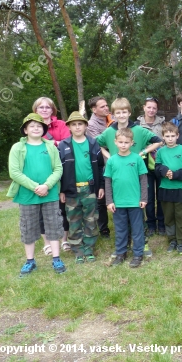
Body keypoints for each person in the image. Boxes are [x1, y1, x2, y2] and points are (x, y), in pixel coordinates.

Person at [97, 97, 162, 257]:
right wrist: (108, 155)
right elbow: (96, 144)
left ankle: (142, 244)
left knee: (139, 213)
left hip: (136, 176)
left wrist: (142, 153)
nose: (121, 115)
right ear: (113, 114)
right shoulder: (109, 131)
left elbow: (158, 141)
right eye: (118, 112)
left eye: (124, 112)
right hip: (118, 176)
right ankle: (123, 246)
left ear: (129, 112)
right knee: (121, 215)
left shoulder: (139, 130)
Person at [8, 113, 65, 276]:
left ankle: (56, 259)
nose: (35, 128)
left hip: (50, 193)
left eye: (39, 126)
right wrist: (35, 187)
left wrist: (47, 185)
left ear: (44, 129)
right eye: (31, 126)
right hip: (27, 195)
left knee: (53, 225)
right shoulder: (17, 148)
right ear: (25, 130)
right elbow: (14, 172)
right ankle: (30, 261)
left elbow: (58, 168)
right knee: (28, 227)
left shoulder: (50, 147)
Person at [58, 112, 105, 264]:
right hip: (71, 190)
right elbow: (59, 171)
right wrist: (61, 190)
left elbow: (100, 167)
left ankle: (89, 248)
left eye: (80, 124)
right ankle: (77, 249)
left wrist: (101, 186)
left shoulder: (93, 144)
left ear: (85, 126)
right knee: (74, 220)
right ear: (69, 127)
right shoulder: (63, 146)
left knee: (91, 219)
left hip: (90, 189)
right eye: (74, 124)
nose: (77, 127)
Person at [104, 128, 148, 268]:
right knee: (121, 229)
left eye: (126, 142)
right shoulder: (111, 160)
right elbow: (108, 182)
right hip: (118, 203)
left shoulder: (137, 159)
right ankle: (121, 253)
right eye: (121, 142)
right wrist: (109, 201)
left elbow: (143, 180)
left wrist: (144, 198)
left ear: (132, 143)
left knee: (137, 229)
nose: (123, 145)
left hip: (135, 202)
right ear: (115, 142)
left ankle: (137, 254)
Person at [33, 97, 71, 254]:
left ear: (52, 109)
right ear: (35, 110)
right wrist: (55, 143)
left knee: (62, 208)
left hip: (60, 169)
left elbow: (67, 143)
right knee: (42, 209)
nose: (44, 110)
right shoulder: (32, 126)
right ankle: (47, 243)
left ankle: (64, 240)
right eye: (40, 107)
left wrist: (51, 142)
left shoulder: (61, 125)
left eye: (47, 107)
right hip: (39, 171)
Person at [155, 122, 182, 254]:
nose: (170, 138)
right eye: (167, 136)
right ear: (163, 137)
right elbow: (157, 168)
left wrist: (175, 174)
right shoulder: (160, 152)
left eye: (173, 135)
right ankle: (172, 240)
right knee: (169, 217)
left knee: (181, 217)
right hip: (165, 189)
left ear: (177, 136)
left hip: (181, 189)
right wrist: (165, 171)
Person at [137, 97, 166, 237]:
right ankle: (150, 224)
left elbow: (165, 141)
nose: (151, 110)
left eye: (154, 108)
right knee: (148, 196)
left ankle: (161, 223)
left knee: (161, 195)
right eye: (149, 107)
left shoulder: (163, 124)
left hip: (160, 163)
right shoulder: (137, 125)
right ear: (144, 107)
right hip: (144, 165)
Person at [86, 96, 113, 238]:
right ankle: (103, 228)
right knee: (101, 197)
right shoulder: (91, 125)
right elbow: (100, 143)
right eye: (102, 106)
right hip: (103, 164)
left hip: (119, 162)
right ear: (94, 109)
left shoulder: (112, 118)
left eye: (107, 105)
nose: (106, 108)